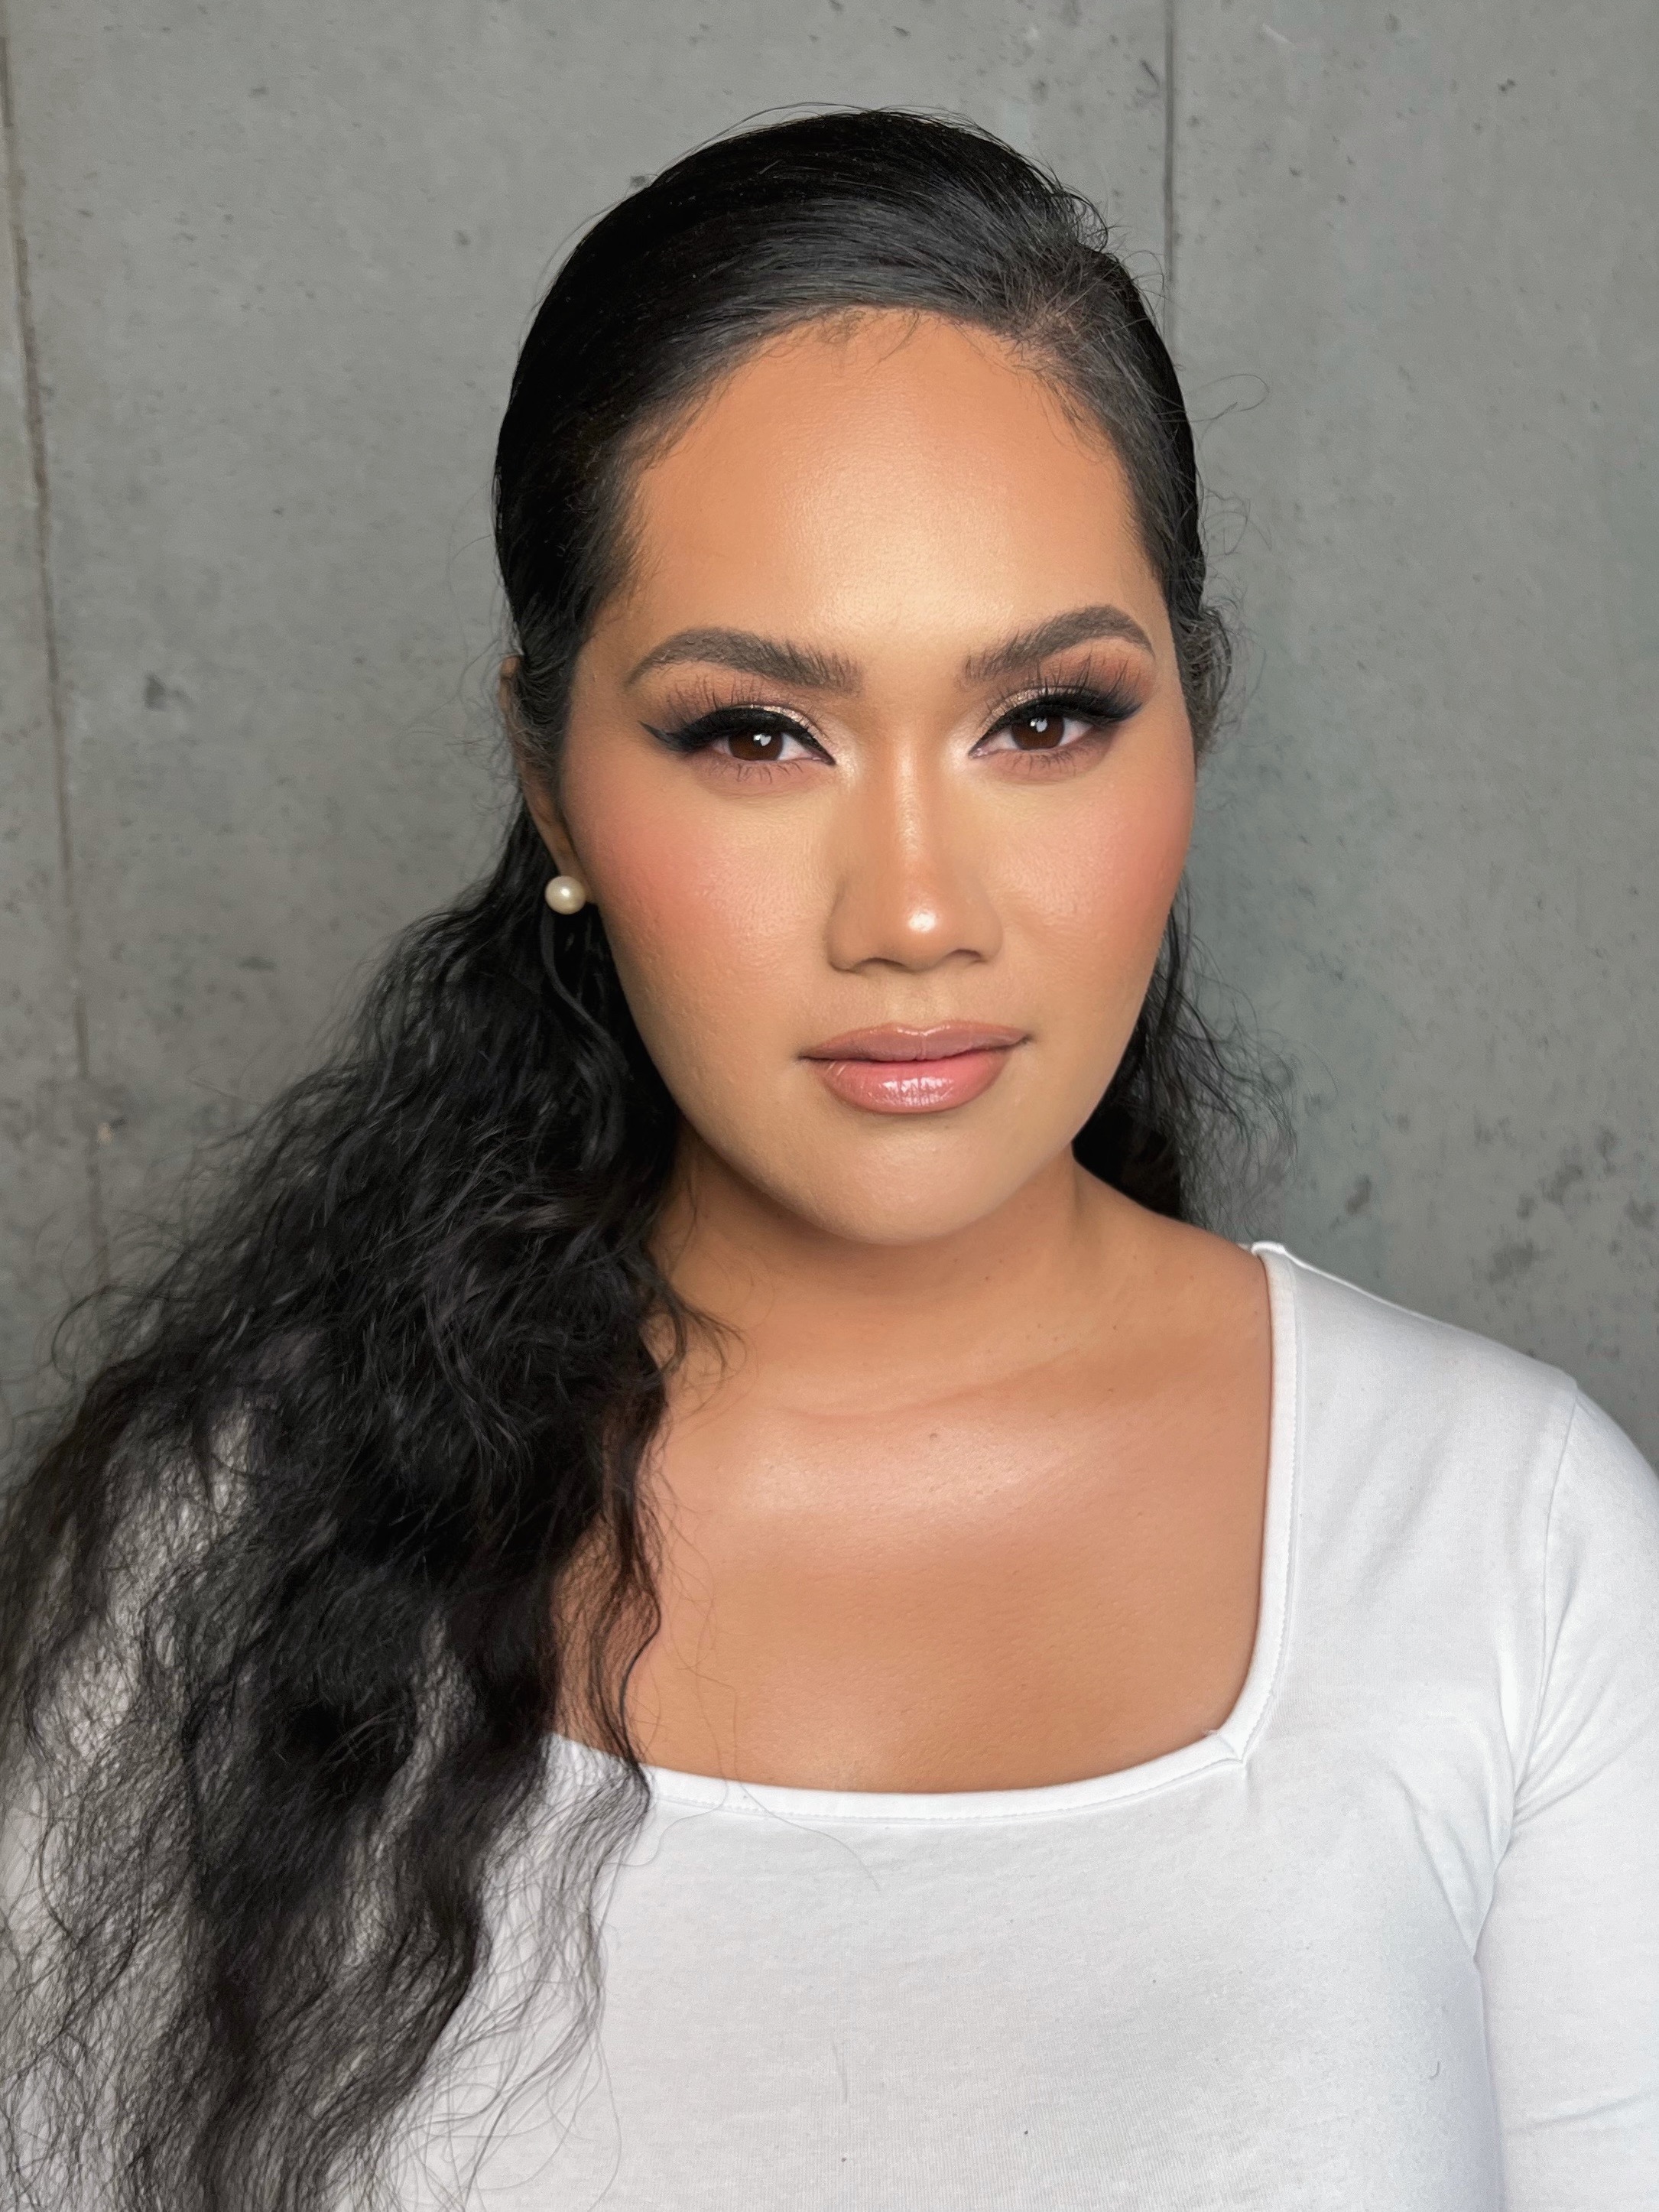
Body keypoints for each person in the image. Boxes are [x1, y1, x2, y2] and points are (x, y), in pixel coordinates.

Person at [2, 107, 1655, 2212]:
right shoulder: (221, 1559)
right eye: (754, 733)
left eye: (1043, 718)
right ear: (550, 779)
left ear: (1192, 721)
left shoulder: (1511, 1547)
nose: (913, 912)